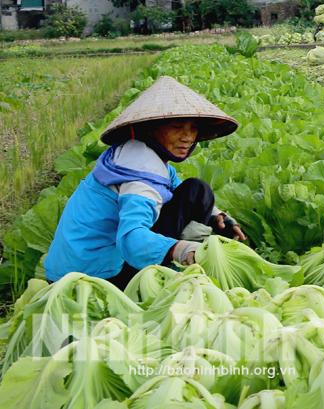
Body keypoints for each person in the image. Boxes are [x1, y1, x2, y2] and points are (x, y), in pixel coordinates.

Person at [45, 76, 245, 289]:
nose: (188, 137)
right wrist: (181, 250)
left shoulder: (138, 155)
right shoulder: (139, 178)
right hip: (91, 279)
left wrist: (218, 216)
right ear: (150, 129)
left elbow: (179, 189)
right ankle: (174, 266)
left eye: (193, 128)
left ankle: (180, 253)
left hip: (72, 266)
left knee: (197, 191)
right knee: (195, 194)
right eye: (177, 126)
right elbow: (132, 239)